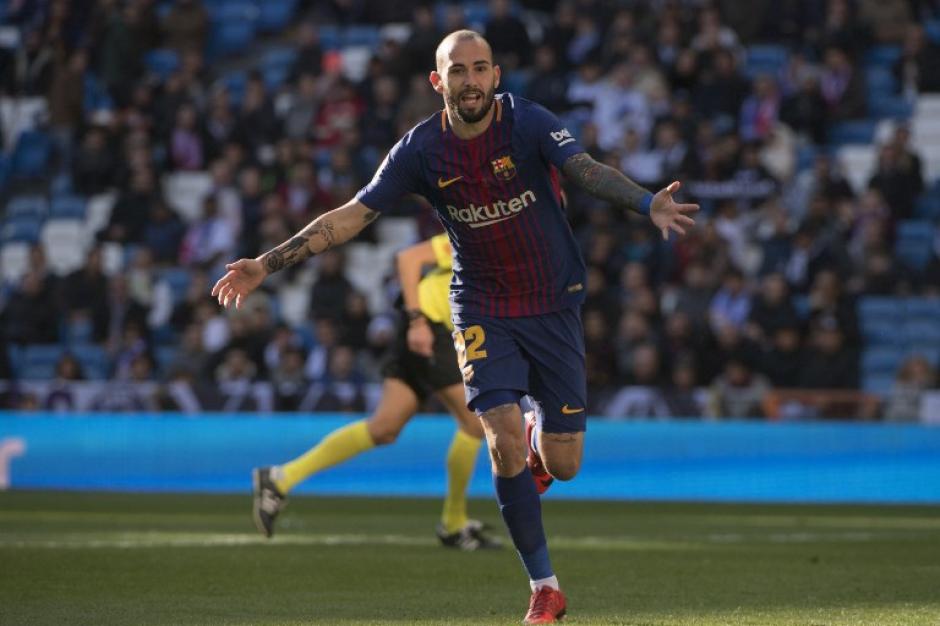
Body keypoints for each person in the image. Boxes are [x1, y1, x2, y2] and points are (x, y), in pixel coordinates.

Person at [212, 30, 697, 625]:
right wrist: (266, 263)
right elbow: (350, 217)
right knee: (497, 436)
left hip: (552, 302)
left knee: (565, 464)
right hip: (482, 305)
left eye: (480, 68)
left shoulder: (528, 122)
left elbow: (585, 170)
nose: (471, 81)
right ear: (438, 82)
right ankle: (545, 587)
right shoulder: (419, 151)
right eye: (458, 71)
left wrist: (647, 203)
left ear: (496, 75)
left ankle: (538, 447)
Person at [251, 234, 500, 551]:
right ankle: (453, 524)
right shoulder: (485, 234)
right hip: (430, 326)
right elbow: (408, 259)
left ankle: (280, 478)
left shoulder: (521, 251)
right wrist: (417, 321)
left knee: (384, 428)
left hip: (436, 330)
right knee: (474, 424)